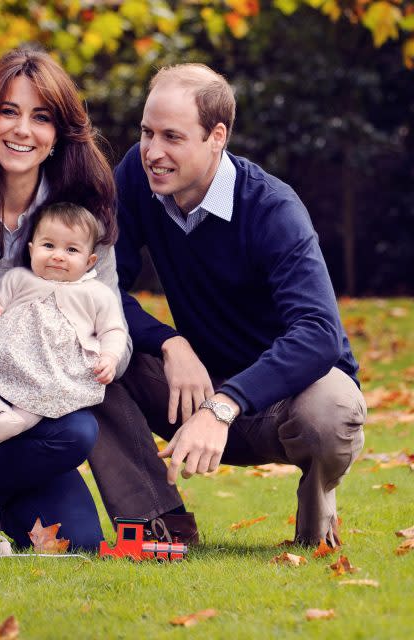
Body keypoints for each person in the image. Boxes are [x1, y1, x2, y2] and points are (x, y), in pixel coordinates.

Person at [89, 63, 366, 548]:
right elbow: (99, 288)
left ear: (216, 136)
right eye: (147, 132)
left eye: (172, 137)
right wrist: (169, 342)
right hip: (192, 388)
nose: (153, 152)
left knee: (333, 410)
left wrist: (225, 404)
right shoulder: (136, 175)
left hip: (284, 402)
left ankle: (316, 519)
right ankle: (160, 522)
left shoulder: (272, 209)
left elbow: (320, 332)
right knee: (88, 351)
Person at [0, 47, 131, 551]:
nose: (23, 130)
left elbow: (114, 325)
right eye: (9, 112)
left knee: (79, 535)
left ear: (57, 135)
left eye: (40, 117)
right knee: (64, 433)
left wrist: (100, 357)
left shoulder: (81, 220)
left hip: (41, 417)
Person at [0, 202, 127, 444]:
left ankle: (17, 421)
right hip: (9, 357)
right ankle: (1, 413)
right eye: (48, 246)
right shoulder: (19, 278)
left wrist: (110, 357)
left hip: (58, 368)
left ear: (89, 262)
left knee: (48, 391)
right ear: (31, 249)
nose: (58, 255)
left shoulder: (96, 293)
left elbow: (113, 329)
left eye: (71, 250)